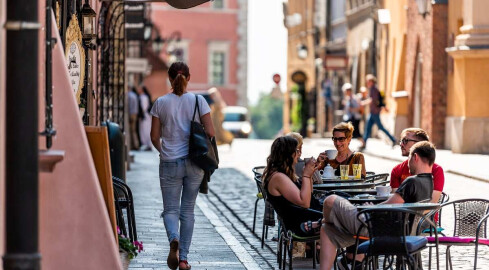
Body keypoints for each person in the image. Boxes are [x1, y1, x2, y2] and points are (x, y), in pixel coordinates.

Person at [319, 141, 436, 270]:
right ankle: (321, 226)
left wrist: (371, 207)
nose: (408, 162)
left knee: (330, 200)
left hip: (376, 227)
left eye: (409, 158)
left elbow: (388, 206)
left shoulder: (412, 181)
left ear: (415, 157)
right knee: (326, 229)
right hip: (390, 230)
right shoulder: (429, 182)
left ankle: (317, 223)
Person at [150, 62, 215, 270]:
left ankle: (173, 238)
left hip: (169, 162)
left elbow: (154, 136)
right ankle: (184, 259)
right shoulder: (199, 101)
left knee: (170, 209)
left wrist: (164, 151)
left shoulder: (160, 103)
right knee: (188, 211)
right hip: (194, 163)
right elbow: (211, 132)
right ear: (189, 77)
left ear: (170, 79)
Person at [262, 136, 322, 237]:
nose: (299, 154)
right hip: (302, 223)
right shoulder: (278, 177)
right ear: (288, 154)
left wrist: (310, 174)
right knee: (344, 219)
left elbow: (308, 195)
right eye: (297, 151)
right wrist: (306, 175)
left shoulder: (284, 173)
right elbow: (305, 202)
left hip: (310, 215)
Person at [391, 128, 445, 203]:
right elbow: (395, 202)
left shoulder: (436, 170)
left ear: (419, 144)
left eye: (405, 141)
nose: (401, 144)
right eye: (401, 141)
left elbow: (431, 204)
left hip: (425, 214)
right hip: (403, 212)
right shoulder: (397, 169)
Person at [360, 74, 396, 149]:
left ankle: (393, 139)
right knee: (368, 127)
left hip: (375, 112)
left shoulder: (374, 89)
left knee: (380, 128)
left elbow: (372, 100)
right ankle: (364, 142)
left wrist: (364, 103)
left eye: (368, 81)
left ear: (371, 81)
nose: (367, 83)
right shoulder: (372, 89)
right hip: (373, 112)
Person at [138, 85, 153, 151]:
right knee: (147, 130)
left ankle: (147, 144)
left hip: (145, 116)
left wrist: (142, 114)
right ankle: (148, 144)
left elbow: (144, 107)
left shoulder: (143, 97)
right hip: (147, 116)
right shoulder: (146, 97)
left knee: (145, 130)